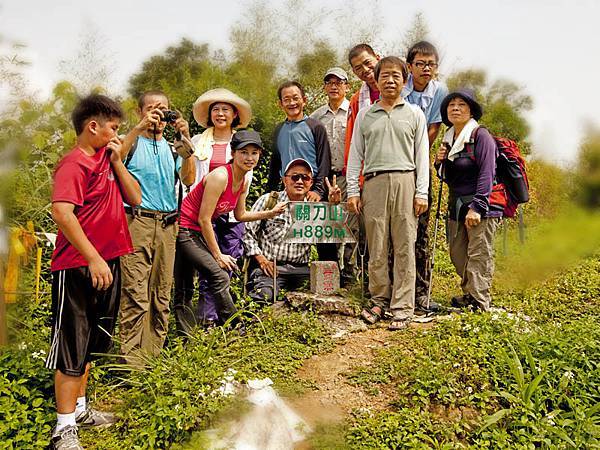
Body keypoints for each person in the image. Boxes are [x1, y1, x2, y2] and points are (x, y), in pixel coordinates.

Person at [45, 94, 141, 449]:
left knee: (90, 342)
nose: (117, 135)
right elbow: (62, 213)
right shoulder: (74, 165)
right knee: (72, 344)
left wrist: (117, 161)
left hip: (107, 262)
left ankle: (81, 410)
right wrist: (93, 258)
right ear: (93, 127)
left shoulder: (105, 158)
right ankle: (63, 429)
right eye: (113, 129)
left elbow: (136, 198)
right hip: (78, 266)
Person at [347, 56, 429, 331]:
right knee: (377, 245)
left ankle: (403, 307)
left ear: (404, 80)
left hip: (406, 180)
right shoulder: (365, 114)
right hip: (374, 183)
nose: (390, 80)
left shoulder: (415, 113)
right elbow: (355, 156)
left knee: (405, 243)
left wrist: (422, 193)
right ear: (377, 80)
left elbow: (422, 156)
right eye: (385, 76)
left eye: (396, 75)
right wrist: (352, 191)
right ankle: (379, 300)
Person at [177, 130, 287, 328]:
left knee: (198, 281)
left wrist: (269, 214)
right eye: (244, 152)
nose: (249, 158)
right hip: (185, 229)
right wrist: (218, 255)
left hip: (199, 230)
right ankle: (234, 325)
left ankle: (204, 328)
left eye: (254, 153)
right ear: (233, 153)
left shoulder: (243, 180)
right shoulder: (220, 177)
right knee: (213, 275)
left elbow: (240, 215)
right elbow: (203, 219)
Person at [118, 90, 196, 363]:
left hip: (168, 225)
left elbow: (188, 179)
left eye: (163, 109)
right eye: (151, 109)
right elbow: (115, 157)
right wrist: (138, 128)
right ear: (141, 112)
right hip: (137, 221)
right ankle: (131, 363)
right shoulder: (133, 141)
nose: (158, 114)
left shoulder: (172, 146)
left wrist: (185, 142)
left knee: (161, 294)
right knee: (136, 294)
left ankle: (152, 358)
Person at [173, 88, 252, 333]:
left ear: (235, 115)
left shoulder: (242, 143)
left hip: (229, 213)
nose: (220, 114)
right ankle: (206, 320)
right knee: (209, 267)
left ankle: (219, 320)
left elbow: (243, 181)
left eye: (225, 109)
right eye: (216, 109)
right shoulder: (198, 142)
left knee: (224, 268)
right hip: (202, 213)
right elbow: (185, 176)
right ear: (209, 115)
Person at [435, 89, 502, 312]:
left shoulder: (481, 136)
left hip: (480, 206)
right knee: (457, 253)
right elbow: (447, 176)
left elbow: (487, 173)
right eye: (451, 105)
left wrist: (478, 207)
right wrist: (439, 163)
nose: (455, 108)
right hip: (457, 205)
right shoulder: (449, 138)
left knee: (479, 254)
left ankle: (479, 301)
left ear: (471, 110)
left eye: (461, 104)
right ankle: (469, 293)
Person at [244, 158, 341, 302]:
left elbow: (330, 236)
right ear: (284, 180)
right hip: (271, 268)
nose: (300, 181)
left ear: (311, 183)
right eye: (295, 177)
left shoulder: (315, 209)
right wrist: (261, 260)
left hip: (301, 269)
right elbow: (247, 232)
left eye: (305, 178)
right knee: (264, 297)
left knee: (324, 295)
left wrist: (332, 207)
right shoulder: (268, 201)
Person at [402, 40, 449, 312]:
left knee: (420, 230)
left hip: (419, 165)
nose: (426, 69)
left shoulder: (439, 91)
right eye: (420, 64)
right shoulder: (400, 85)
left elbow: (432, 130)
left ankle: (422, 292)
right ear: (410, 66)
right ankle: (396, 289)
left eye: (431, 64)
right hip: (394, 166)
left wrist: (416, 154)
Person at [310, 67, 358, 286]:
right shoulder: (316, 116)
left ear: (347, 86)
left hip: (349, 176)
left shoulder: (355, 112)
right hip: (326, 178)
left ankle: (349, 275)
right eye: (329, 83)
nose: (334, 86)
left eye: (339, 82)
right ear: (324, 87)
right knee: (327, 227)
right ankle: (328, 274)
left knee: (350, 226)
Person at [267, 81, 331, 202]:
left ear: (304, 100)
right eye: (286, 99)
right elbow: (275, 164)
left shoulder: (315, 126)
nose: (292, 103)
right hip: (286, 192)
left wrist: (318, 190)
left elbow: (324, 161)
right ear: (280, 104)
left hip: (310, 192)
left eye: (295, 98)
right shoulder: (279, 129)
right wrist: (270, 191)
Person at [343, 44, 381, 173]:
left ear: (377, 58)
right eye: (358, 68)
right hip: (369, 169)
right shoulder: (356, 100)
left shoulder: (401, 90)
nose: (365, 69)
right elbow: (352, 140)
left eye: (367, 62)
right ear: (354, 72)